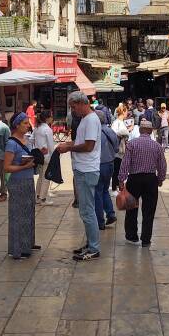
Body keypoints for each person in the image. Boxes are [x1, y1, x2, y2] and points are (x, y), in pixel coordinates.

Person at [57, 91, 102, 262]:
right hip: (83, 169)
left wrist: (69, 148)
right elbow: (82, 141)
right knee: (85, 210)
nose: (72, 110)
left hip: (87, 170)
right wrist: (69, 144)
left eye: (73, 106)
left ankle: (94, 247)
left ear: (81, 103)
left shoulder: (90, 120)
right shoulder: (85, 119)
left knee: (87, 211)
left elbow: (89, 146)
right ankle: (91, 242)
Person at [119, 119, 166, 247]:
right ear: (151, 131)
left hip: (134, 179)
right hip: (151, 180)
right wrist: (160, 179)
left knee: (131, 209)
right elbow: (162, 165)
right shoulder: (157, 146)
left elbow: (125, 163)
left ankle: (132, 236)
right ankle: (146, 240)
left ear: (140, 130)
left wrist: (121, 179)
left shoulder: (132, 144)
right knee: (149, 211)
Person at [4, 112, 39, 260]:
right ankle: (18, 249)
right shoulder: (11, 143)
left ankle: (28, 243)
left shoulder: (25, 140)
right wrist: (25, 167)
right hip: (17, 182)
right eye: (25, 123)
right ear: (16, 125)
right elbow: (7, 167)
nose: (28, 126)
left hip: (28, 180)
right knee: (19, 216)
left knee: (29, 213)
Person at [95, 110, 119, 229]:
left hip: (99, 164)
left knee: (97, 192)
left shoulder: (96, 132)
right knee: (104, 190)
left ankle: (100, 221)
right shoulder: (111, 131)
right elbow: (116, 148)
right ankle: (110, 214)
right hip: (110, 163)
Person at [33, 110, 56, 204]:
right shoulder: (47, 129)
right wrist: (54, 156)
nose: (52, 118)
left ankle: (38, 196)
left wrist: (37, 148)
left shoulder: (37, 128)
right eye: (51, 116)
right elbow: (51, 145)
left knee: (41, 176)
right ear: (47, 118)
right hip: (46, 156)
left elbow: (31, 140)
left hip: (39, 156)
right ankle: (43, 198)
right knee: (46, 177)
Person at [111, 105, 130, 196]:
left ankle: (118, 185)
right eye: (126, 112)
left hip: (122, 149)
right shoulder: (116, 122)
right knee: (116, 169)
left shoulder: (121, 122)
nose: (127, 113)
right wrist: (124, 132)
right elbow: (113, 134)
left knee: (119, 169)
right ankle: (114, 188)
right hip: (117, 150)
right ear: (123, 112)